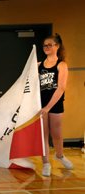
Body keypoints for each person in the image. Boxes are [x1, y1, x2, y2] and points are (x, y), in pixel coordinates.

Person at [38, 34, 73, 176]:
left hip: (55, 104)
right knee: (43, 135)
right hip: (41, 105)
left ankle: (59, 155)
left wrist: (48, 107)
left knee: (56, 134)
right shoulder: (38, 65)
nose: (47, 47)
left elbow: (61, 88)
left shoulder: (61, 65)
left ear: (57, 46)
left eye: (50, 45)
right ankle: (46, 163)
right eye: (45, 45)